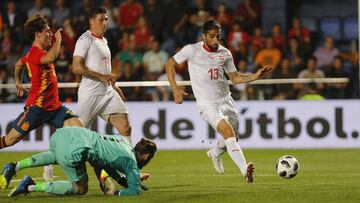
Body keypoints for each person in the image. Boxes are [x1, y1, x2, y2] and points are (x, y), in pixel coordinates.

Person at [165, 19, 272, 183]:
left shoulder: (225, 53)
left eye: (218, 37)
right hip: (207, 104)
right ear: (204, 36)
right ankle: (245, 171)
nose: (215, 40)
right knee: (228, 133)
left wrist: (255, 76)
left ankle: (214, 153)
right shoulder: (191, 50)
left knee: (233, 136)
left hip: (226, 100)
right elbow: (169, 64)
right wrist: (175, 89)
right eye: (212, 37)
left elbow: (235, 77)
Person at [0, 15, 83, 189]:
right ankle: (10, 167)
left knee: (80, 133)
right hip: (36, 109)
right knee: (10, 140)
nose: (51, 34)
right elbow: (50, 59)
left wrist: (18, 81)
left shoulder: (33, 55)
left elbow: (18, 65)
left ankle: (104, 178)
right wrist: (59, 40)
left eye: (51, 32)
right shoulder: (37, 53)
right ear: (37, 34)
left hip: (55, 107)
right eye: (47, 31)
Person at [2, 126, 156, 197]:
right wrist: (115, 192)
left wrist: (130, 180)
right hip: (76, 149)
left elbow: (106, 165)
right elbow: (134, 192)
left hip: (65, 133)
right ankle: (30, 186)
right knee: (80, 188)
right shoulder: (130, 162)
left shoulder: (123, 141)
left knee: (57, 155)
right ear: (147, 156)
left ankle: (15, 166)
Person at [72, 6, 131, 141]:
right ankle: (49, 161)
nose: (105, 23)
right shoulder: (84, 39)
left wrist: (113, 87)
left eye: (106, 19)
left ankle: (130, 160)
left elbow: (104, 70)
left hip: (107, 93)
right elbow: (76, 67)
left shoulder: (104, 41)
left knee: (125, 127)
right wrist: (101, 77)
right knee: (74, 135)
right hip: (90, 94)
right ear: (91, 21)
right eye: (101, 20)